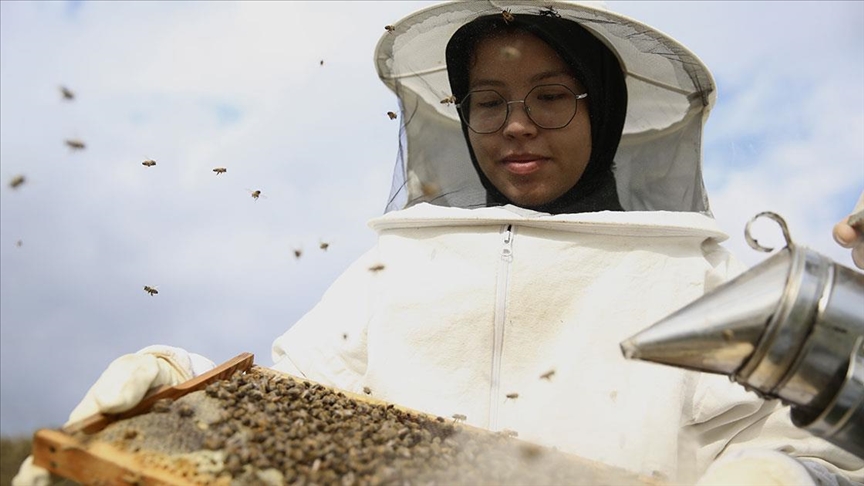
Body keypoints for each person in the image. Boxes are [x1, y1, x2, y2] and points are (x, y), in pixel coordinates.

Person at [14, 3, 864, 485]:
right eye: (487, 101)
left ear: (601, 112)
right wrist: (174, 390)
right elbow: (288, 412)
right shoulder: (391, 270)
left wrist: (780, 479)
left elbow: (821, 448)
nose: (517, 125)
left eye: (552, 95)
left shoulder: (704, 279)